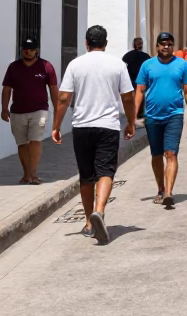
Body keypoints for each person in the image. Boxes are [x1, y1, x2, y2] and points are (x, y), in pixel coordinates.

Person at [52, 25, 136, 245]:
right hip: (108, 125)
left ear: (86, 43)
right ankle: (100, 210)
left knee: (87, 175)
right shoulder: (117, 64)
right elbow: (127, 97)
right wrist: (131, 122)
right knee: (106, 170)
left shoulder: (75, 64)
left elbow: (63, 98)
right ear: (106, 43)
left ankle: (89, 221)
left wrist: (56, 125)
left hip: (82, 126)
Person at [134, 32, 187, 208]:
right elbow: (139, 90)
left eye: (169, 44)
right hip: (152, 116)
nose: (165, 46)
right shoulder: (147, 65)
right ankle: (160, 188)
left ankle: (168, 192)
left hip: (174, 115)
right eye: (162, 44)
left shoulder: (182, 65)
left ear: (173, 46)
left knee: (171, 153)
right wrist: (133, 115)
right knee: (156, 154)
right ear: (157, 46)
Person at [1, 37, 58, 184]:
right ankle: (26, 174)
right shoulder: (13, 67)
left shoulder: (46, 66)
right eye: (25, 49)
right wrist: (4, 108)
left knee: (35, 140)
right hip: (17, 111)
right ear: (21, 50)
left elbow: (53, 88)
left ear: (36, 50)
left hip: (39, 110)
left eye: (31, 49)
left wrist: (58, 109)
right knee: (22, 144)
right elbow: (6, 89)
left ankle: (34, 174)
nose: (28, 52)